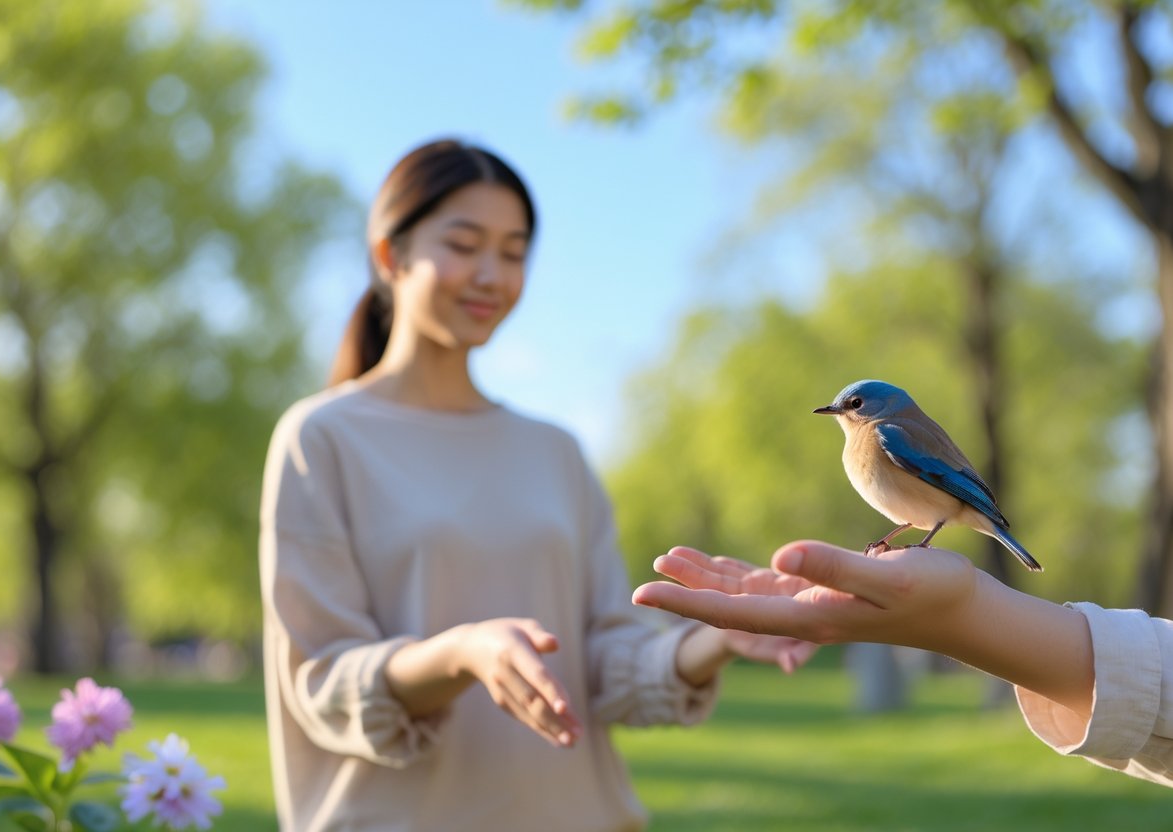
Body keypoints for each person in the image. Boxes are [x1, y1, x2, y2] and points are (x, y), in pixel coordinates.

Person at [258, 138, 817, 832]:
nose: (491, 274)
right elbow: (319, 681)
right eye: (463, 245)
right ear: (388, 256)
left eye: (514, 252)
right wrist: (460, 655)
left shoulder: (555, 452)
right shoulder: (322, 438)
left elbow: (603, 663)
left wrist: (719, 640)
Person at [633, 540, 1173, 788]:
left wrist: (963, 610)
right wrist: (723, 641)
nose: (839, 413)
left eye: (851, 406)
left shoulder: (888, 435)